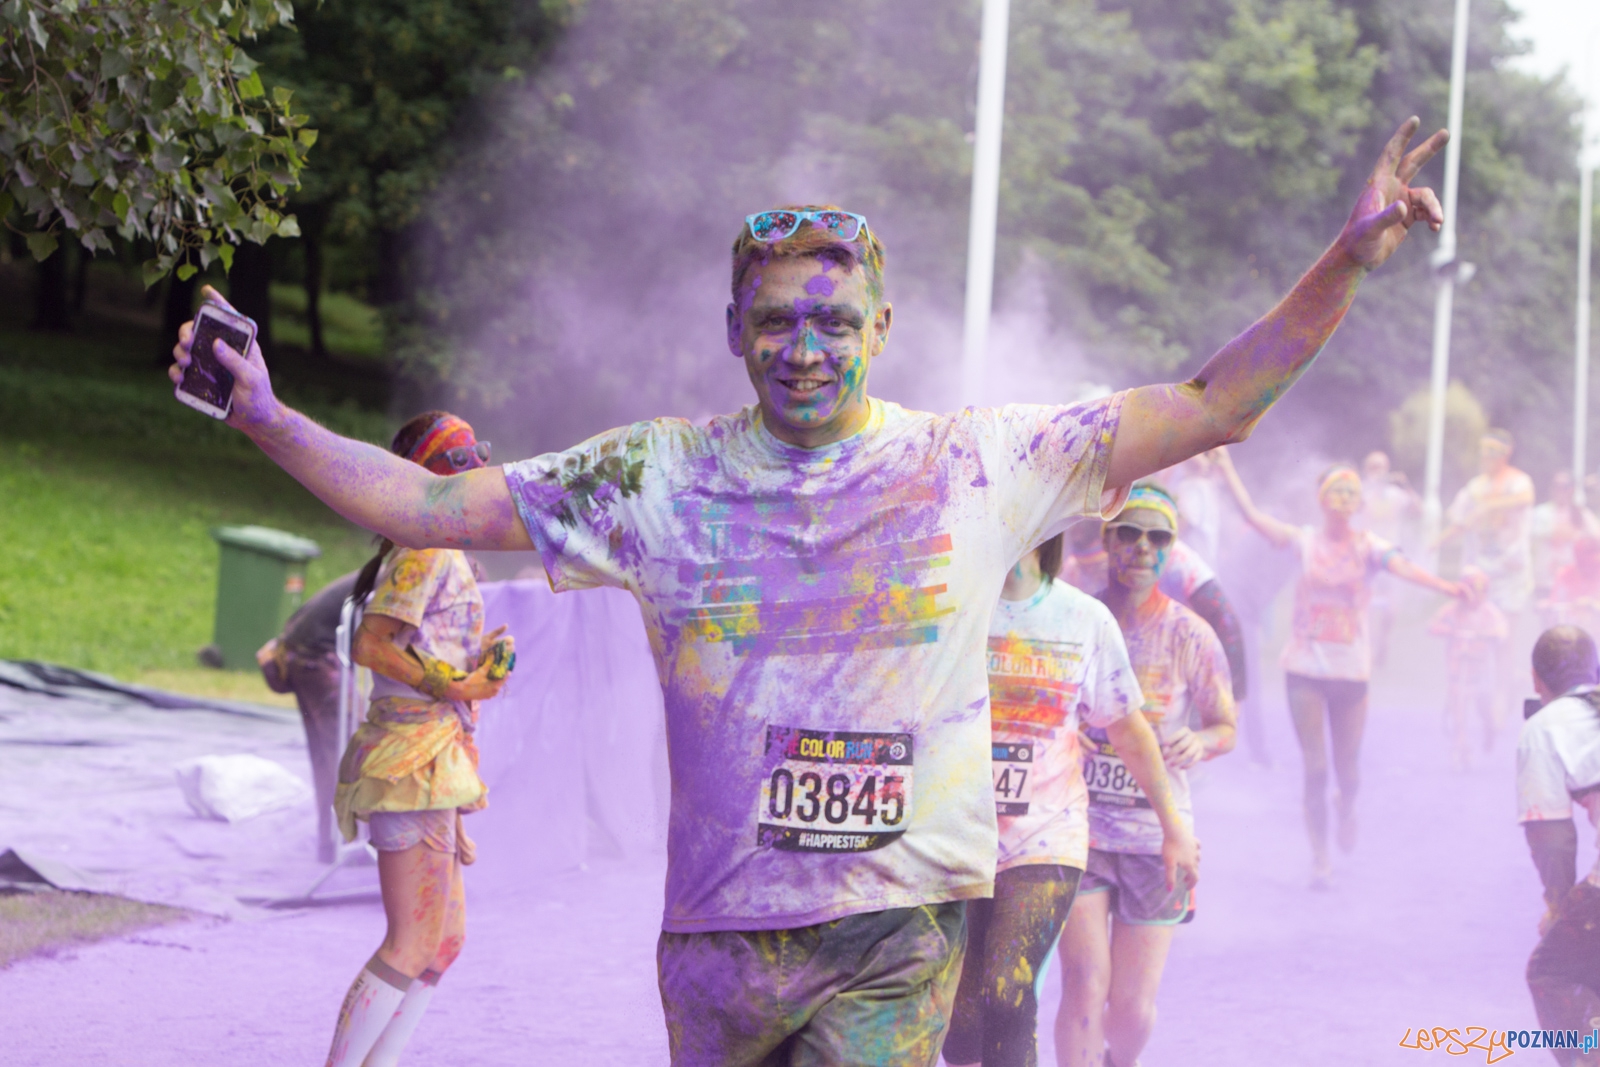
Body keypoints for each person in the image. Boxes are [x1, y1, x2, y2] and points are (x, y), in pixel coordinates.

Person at [169, 119, 1447, 1065]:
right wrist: (267, 415)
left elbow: (1214, 402)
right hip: (717, 934)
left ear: (879, 327)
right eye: (775, 319)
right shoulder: (653, 473)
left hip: (894, 923)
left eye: (833, 320)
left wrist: (1347, 260)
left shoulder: (973, 461)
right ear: (734, 330)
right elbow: (435, 506)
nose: (804, 345)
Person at [943, 532, 1190, 1067]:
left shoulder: (1084, 619)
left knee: (1007, 988)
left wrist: (1175, 827)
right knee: (959, 1020)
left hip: (1046, 840)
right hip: (956, 836)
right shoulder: (952, 607)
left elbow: (1129, 730)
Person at [322, 412, 513, 1067]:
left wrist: (478, 664)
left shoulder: (443, 547)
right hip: (411, 760)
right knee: (412, 941)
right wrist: (454, 685)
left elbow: (425, 647)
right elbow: (371, 643)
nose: (477, 478)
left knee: (443, 941)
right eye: (461, 466)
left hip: (435, 756)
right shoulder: (426, 544)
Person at [1217, 450, 1461, 887]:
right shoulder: (1304, 541)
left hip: (1351, 672)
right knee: (1315, 768)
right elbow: (1253, 517)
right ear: (1322, 500)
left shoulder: (1369, 547)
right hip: (1305, 669)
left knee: (1348, 772)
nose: (1345, 500)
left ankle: (1346, 807)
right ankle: (1320, 858)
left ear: (1359, 503)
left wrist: (1446, 586)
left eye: (1352, 492)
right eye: (1337, 492)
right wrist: (1226, 465)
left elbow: (1403, 567)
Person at [1056, 485, 1236, 1067]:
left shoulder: (1191, 635)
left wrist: (1201, 740)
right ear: (1107, 540)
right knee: (1084, 986)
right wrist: (1062, 731)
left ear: (1171, 549)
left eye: (1157, 537)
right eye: (1128, 533)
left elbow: (1224, 726)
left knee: (1130, 1011)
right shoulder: (1075, 618)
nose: (1141, 547)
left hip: (1156, 839)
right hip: (1076, 830)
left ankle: (1119, 1059)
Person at [1518, 626, 1600, 1065]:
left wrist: (1558, 905)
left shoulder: (1545, 726)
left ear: (1536, 680)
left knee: (1555, 971)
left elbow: (1550, 836)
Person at [1060, 519, 1248, 705]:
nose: (1095, 576)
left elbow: (1224, 620)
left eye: (1100, 567)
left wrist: (1235, 698)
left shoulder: (1170, 557)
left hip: (1182, 673)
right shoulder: (1073, 573)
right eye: (1087, 569)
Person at [256, 570, 360, 861]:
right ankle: (344, 845)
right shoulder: (415, 573)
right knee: (351, 753)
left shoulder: (399, 566)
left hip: (300, 653)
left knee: (334, 754)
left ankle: (334, 844)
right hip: (315, 658)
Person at [1439, 430, 1537, 731]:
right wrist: (1435, 542)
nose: (1486, 458)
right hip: (1480, 574)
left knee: (1504, 638)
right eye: (1483, 452)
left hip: (1510, 571)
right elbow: (1458, 519)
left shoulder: (1518, 481)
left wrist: (1489, 507)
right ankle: (1466, 696)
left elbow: (1526, 498)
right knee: (1471, 636)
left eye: (1492, 453)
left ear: (1504, 455)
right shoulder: (1474, 487)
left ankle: (1501, 698)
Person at [1428, 566, 1508, 769]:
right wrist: (1449, 630)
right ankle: (1460, 742)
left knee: (1483, 706)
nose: (1475, 598)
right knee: (1458, 706)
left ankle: (1489, 727)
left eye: (1481, 593)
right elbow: (1433, 625)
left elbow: (1501, 629)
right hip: (1458, 667)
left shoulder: (1489, 612)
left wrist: (1489, 635)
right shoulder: (1452, 610)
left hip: (1481, 670)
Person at [1358, 450, 1421, 667]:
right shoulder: (1361, 492)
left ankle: (1383, 641)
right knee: (1365, 604)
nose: (1378, 472)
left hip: (1391, 554)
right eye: (1373, 467)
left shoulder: (1395, 494)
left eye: (1382, 467)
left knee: (1390, 608)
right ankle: (1366, 646)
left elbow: (1418, 510)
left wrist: (1406, 486)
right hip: (1366, 555)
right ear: (1366, 470)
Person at [1532, 472, 1600, 624]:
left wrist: (1578, 537)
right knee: (1548, 626)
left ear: (1572, 490)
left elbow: (1596, 539)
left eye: (1564, 487)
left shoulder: (1581, 514)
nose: (1559, 491)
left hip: (1572, 582)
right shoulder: (1541, 513)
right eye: (1555, 486)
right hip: (1545, 580)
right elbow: (1531, 535)